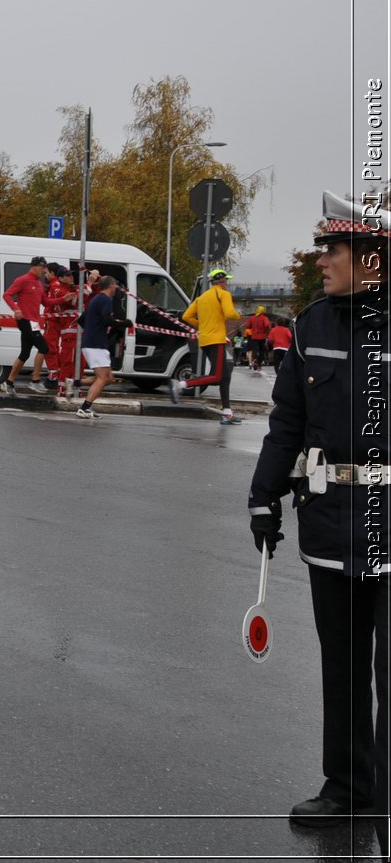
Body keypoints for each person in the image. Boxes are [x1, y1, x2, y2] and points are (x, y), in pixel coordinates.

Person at [247, 190, 389, 852]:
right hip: (331, 521)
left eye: (331, 250)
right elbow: (286, 423)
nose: (321, 260)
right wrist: (263, 496)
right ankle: (348, 787)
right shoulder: (309, 326)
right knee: (344, 660)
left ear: (372, 260)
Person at [169, 268, 241, 423]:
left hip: (205, 339)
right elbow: (229, 314)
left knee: (225, 376)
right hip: (217, 339)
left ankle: (227, 413)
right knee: (217, 376)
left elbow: (186, 316)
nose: (227, 284)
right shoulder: (223, 294)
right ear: (221, 281)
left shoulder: (202, 298)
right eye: (226, 281)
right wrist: (238, 315)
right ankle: (181, 385)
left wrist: (201, 324)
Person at [74, 275, 127, 419]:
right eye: (115, 285)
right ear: (110, 286)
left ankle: (75, 382)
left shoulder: (95, 299)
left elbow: (81, 320)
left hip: (96, 342)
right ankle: (84, 408)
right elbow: (106, 319)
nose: (116, 287)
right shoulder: (106, 299)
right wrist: (124, 324)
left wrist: (93, 329)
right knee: (102, 378)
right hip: (95, 344)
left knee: (109, 378)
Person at [1, 256, 50, 393]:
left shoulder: (39, 284)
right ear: (34, 266)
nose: (45, 271)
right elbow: (7, 295)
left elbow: (46, 302)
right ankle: (35, 381)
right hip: (25, 321)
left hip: (33, 322)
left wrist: (63, 299)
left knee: (25, 354)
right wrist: (16, 309)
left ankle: (8, 383)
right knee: (44, 347)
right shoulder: (22, 280)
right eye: (43, 267)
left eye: (45, 268)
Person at [41, 264, 82, 399]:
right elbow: (66, 299)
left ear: (53, 273)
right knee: (49, 347)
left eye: (46, 273)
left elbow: (76, 297)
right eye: (68, 275)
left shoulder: (58, 285)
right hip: (58, 322)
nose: (45, 275)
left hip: (62, 322)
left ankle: (57, 376)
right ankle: (53, 375)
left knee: (69, 358)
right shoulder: (56, 286)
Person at [244, 306, 272, 371]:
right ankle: (259, 364)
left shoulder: (252, 318)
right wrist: (266, 330)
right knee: (262, 350)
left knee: (255, 349)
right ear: (263, 311)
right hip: (262, 337)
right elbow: (267, 325)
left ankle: (255, 359)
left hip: (254, 337)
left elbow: (247, 326)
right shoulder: (265, 318)